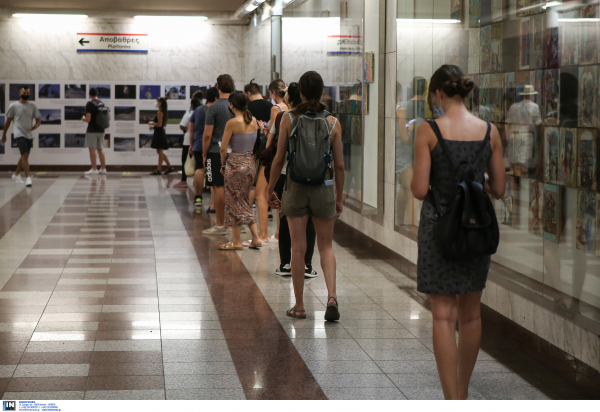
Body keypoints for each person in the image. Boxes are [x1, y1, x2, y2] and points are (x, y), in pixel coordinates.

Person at [410, 65, 506, 400]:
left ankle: (450, 398)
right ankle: (463, 393)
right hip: (476, 230)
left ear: (438, 94)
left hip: (439, 230)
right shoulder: (489, 131)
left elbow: (420, 189)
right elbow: (499, 188)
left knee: (442, 314)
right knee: (470, 314)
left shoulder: (428, 131)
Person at [267, 71, 344, 321]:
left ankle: (299, 306)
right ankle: (331, 297)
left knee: (298, 249)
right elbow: (340, 165)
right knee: (326, 246)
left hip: (296, 188)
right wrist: (339, 197)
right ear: (323, 92)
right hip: (324, 188)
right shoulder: (333, 122)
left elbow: (279, 159)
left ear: (299, 92)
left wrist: (270, 189)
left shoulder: (288, 117)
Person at [264, 82, 318, 278]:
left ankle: (286, 263)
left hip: (287, 173)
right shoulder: (320, 117)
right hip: (312, 173)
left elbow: (277, 153)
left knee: (285, 218)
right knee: (309, 221)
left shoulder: (284, 117)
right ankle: (307, 265)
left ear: (289, 97)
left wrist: (269, 186)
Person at [217, 91, 263, 250]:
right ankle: (255, 238)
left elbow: (223, 148)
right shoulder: (254, 121)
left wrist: (223, 164)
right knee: (244, 201)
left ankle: (236, 241)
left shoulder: (232, 122)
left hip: (235, 165)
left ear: (232, 104)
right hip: (250, 164)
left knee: (234, 201)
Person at [257, 79, 289, 244]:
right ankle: (278, 232)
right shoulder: (290, 108)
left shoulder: (276, 109)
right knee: (281, 193)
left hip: (275, 153)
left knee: (264, 192)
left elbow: (272, 133)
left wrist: (265, 151)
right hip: (286, 154)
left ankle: (266, 234)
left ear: (274, 93)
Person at [202, 75, 235, 235]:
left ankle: (221, 224)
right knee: (235, 188)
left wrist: (203, 153)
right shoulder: (237, 106)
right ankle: (236, 225)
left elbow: (207, 135)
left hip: (216, 151)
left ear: (218, 87)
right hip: (236, 151)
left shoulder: (213, 108)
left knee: (218, 186)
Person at [2, 86, 40, 187]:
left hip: (29, 134)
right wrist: (4, 134)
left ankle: (16, 174)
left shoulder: (32, 106)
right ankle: (28, 178)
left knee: (24, 156)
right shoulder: (13, 106)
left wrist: (35, 126)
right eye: (24, 93)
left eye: (27, 93)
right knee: (25, 155)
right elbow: (8, 121)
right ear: (19, 94)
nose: (26, 95)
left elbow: (38, 120)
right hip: (19, 134)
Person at [189, 88, 217, 208]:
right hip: (212, 145)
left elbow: (191, 130)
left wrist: (191, 144)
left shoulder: (197, 110)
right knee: (214, 172)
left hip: (198, 144)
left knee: (200, 169)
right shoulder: (216, 110)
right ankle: (214, 201)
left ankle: (198, 197)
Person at [174, 96, 201, 188]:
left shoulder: (189, 113)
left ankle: (183, 180)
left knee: (185, 160)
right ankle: (197, 181)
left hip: (188, 140)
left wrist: (187, 129)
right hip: (199, 140)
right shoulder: (203, 113)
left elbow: (182, 125)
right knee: (198, 162)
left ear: (192, 105)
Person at [82, 87, 107, 175]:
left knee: (92, 149)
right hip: (101, 129)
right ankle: (103, 169)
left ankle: (94, 169)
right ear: (97, 93)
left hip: (92, 130)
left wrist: (83, 118)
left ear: (89, 94)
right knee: (100, 149)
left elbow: (88, 119)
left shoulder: (89, 104)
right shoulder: (101, 103)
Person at [149, 97, 174, 175]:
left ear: (160, 103)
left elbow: (159, 124)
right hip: (159, 132)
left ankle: (159, 169)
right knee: (160, 151)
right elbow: (162, 124)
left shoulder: (160, 112)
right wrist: (154, 127)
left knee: (160, 151)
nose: (156, 103)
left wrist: (152, 123)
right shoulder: (163, 111)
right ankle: (170, 167)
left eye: (157, 102)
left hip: (159, 134)